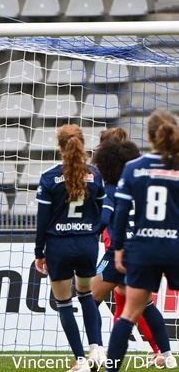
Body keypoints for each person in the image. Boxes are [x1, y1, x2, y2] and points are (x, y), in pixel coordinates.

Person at [105, 111, 179, 371]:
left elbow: (122, 213)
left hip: (143, 248)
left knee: (129, 313)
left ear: (148, 137)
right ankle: (166, 353)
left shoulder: (133, 168)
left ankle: (111, 367)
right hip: (175, 246)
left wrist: (118, 250)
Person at [34, 124, 105, 372]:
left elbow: (42, 221)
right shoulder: (95, 174)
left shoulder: (49, 177)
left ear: (60, 146)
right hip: (87, 244)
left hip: (59, 245)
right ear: (82, 144)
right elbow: (104, 209)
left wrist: (38, 253)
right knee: (86, 295)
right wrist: (94, 229)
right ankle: (96, 348)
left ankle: (80, 361)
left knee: (64, 302)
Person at [90, 133, 163, 366]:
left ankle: (96, 351)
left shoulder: (109, 185)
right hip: (142, 249)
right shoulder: (140, 184)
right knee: (134, 302)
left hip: (117, 250)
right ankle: (159, 349)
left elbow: (105, 217)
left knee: (88, 298)